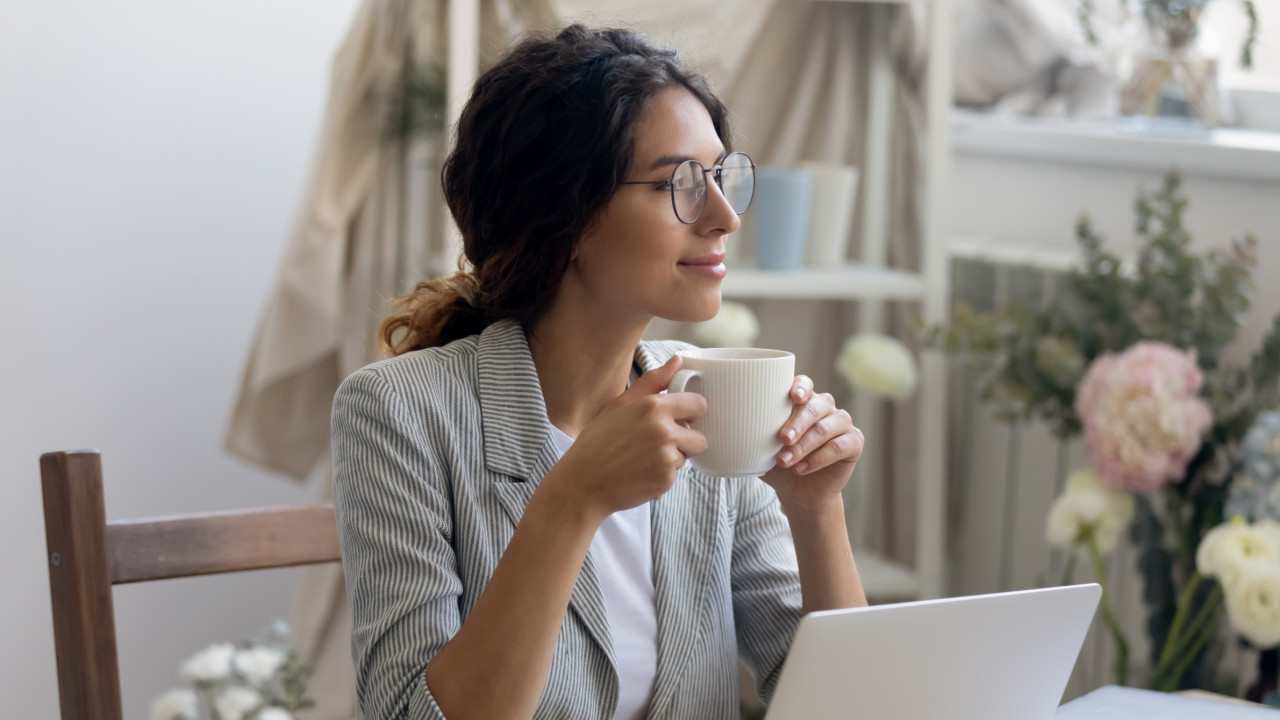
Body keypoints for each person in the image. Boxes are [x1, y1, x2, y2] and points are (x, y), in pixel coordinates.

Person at [331, 24, 868, 720]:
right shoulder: (397, 412)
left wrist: (816, 510)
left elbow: (847, 707)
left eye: (720, 176)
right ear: (567, 215)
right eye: (679, 183)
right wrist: (572, 498)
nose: (725, 217)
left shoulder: (713, 409)